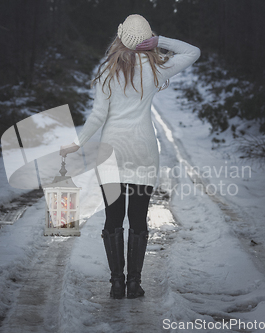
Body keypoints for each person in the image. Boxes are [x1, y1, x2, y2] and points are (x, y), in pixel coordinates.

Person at [60, 14, 200, 299]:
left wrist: (77, 143)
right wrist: (160, 42)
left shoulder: (107, 70)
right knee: (138, 218)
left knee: (113, 217)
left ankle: (116, 283)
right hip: (143, 150)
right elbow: (192, 52)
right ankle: (134, 283)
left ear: (121, 37)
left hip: (111, 152)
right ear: (146, 40)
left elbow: (98, 116)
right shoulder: (157, 68)